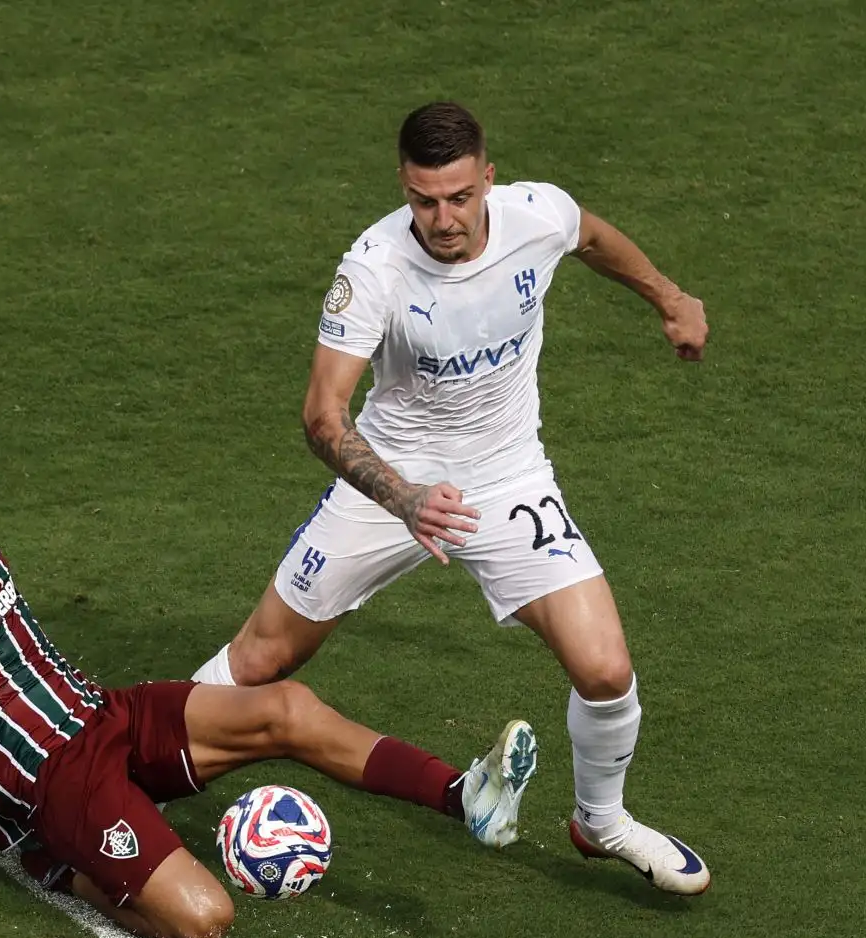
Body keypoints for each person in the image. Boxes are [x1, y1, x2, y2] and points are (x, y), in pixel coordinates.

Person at [0, 380, 538, 938]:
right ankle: (61, 863)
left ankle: (462, 795)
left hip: (102, 716)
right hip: (50, 786)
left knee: (286, 706)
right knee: (207, 918)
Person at [191, 101, 711, 894]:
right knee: (265, 657)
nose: (443, 218)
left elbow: (594, 238)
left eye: (460, 197)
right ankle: (119, 758)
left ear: (488, 181)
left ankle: (601, 822)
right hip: (389, 480)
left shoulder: (537, 215)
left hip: (507, 477)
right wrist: (401, 497)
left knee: (605, 669)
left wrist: (669, 297)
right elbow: (321, 416)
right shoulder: (373, 270)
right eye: (425, 200)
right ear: (404, 187)